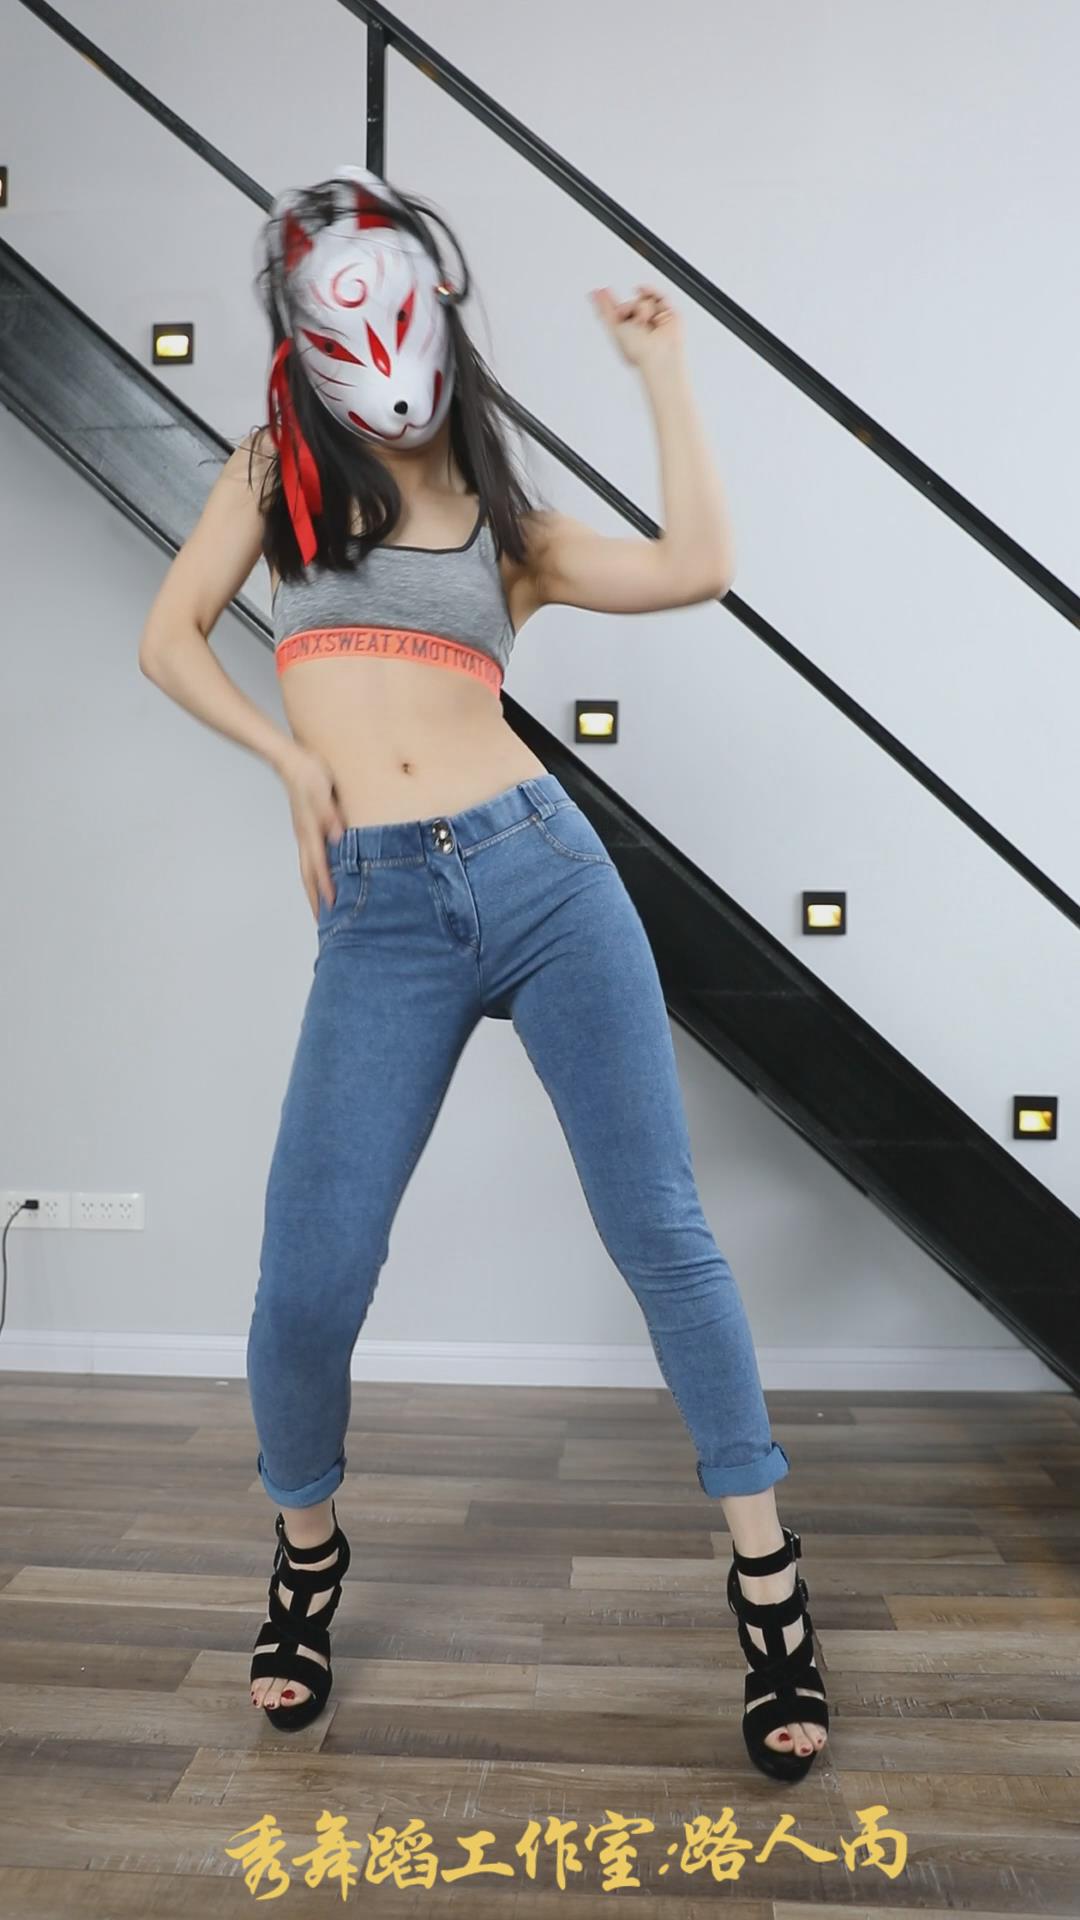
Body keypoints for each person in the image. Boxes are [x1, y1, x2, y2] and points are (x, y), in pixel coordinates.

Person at [137, 164, 828, 1778]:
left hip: (543, 873)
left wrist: (664, 372)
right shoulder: (275, 474)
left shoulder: (510, 530)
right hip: (379, 909)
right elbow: (170, 639)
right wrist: (286, 758)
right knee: (310, 1278)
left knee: (662, 1232)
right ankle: (308, 1554)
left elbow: (698, 566)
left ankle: (771, 1585)